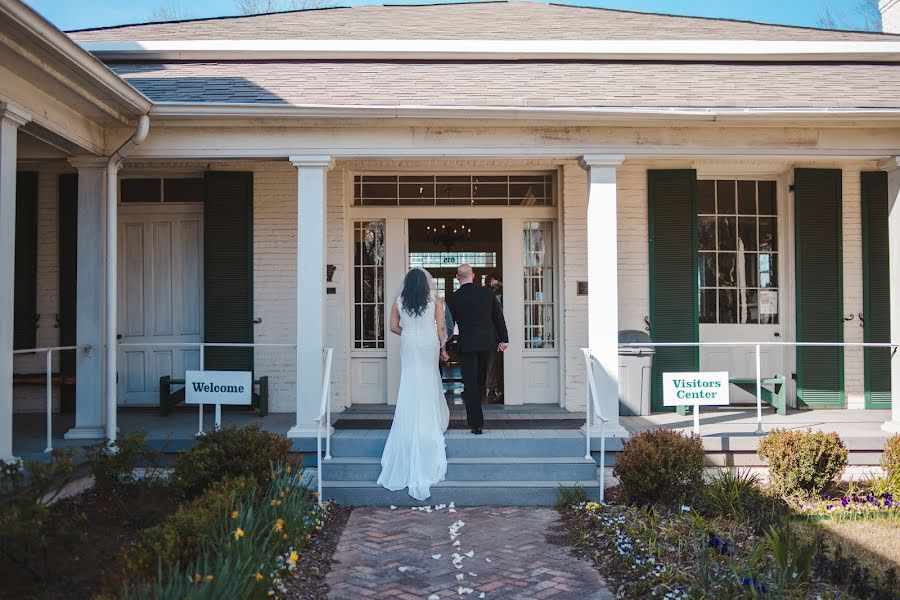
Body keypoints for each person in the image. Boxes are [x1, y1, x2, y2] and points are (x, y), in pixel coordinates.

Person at [377, 267, 450, 501]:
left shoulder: (400, 300)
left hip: (409, 342)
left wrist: (408, 332)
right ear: (425, 283)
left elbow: (392, 327)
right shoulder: (434, 300)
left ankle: (409, 424)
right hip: (428, 343)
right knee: (428, 379)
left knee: (410, 381)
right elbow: (440, 328)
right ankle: (429, 422)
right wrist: (443, 348)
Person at [445, 264, 509, 434]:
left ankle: (476, 423)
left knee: (470, 383)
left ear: (458, 278)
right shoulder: (487, 293)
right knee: (480, 381)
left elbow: (448, 327)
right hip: (487, 344)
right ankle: (477, 415)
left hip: (467, 344)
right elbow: (498, 317)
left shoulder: (453, 298)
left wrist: (443, 346)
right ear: (473, 275)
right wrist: (504, 339)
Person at [484, 273, 504, 403]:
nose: (493, 285)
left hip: (504, 334)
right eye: (491, 283)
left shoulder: (507, 295)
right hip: (491, 335)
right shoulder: (487, 296)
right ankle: (490, 387)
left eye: (495, 283)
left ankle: (500, 388)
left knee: (502, 364)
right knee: (491, 363)